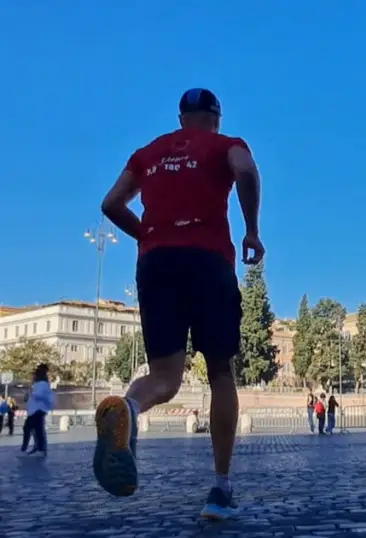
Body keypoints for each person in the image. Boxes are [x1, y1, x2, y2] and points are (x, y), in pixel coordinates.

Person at [94, 88, 264, 520]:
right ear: (216, 118)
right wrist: (251, 229)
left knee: (164, 378)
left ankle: (128, 409)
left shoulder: (149, 153)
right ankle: (220, 489)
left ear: (181, 117)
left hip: (157, 264)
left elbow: (111, 204)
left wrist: (149, 235)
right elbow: (245, 171)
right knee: (221, 371)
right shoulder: (226, 145)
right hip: (208, 260)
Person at [21, 364, 55, 456]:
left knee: (32, 428)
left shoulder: (43, 385)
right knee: (36, 429)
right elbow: (29, 398)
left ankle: (36, 448)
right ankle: (38, 448)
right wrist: (28, 395)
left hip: (38, 410)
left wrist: (32, 393)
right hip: (34, 410)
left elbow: (40, 396)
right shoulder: (36, 385)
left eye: (34, 375)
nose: (32, 377)